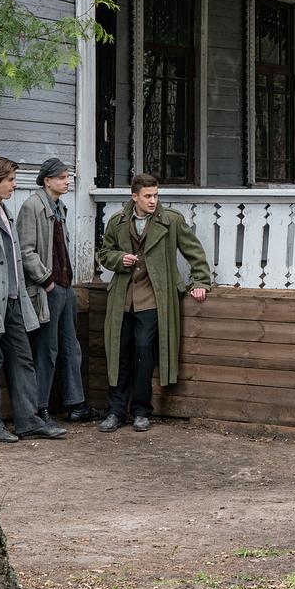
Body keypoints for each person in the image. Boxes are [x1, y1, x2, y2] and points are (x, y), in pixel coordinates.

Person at [0, 156, 66, 443]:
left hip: (14, 302)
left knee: (23, 360)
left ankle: (28, 421)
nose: (15, 186)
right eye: (11, 180)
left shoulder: (5, 211)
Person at [98, 174, 213, 433]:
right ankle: (115, 412)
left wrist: (200, 282)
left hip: (154, 298)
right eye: (148, 196)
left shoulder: (170, 221)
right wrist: (119, 259)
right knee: (119, 353)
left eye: (156, 195)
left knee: (143, 352)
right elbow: (104, 254)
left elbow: (194, 251)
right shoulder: (117, 222)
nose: (153, 200)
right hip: (122, 299)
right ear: (134, 196)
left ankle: (141, 411)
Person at [17, 158, 98, 426]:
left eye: (67, 177)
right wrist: (46, 280)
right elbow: (25, 251)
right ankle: (39, 408)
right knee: (46, 350)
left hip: (65, 288)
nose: (67, 181)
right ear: (47, 180)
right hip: (47, 290)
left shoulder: (59, 207)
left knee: (71, 348)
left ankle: (76, 405)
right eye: (62, 177)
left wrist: (64, 283)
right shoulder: (32, 207)